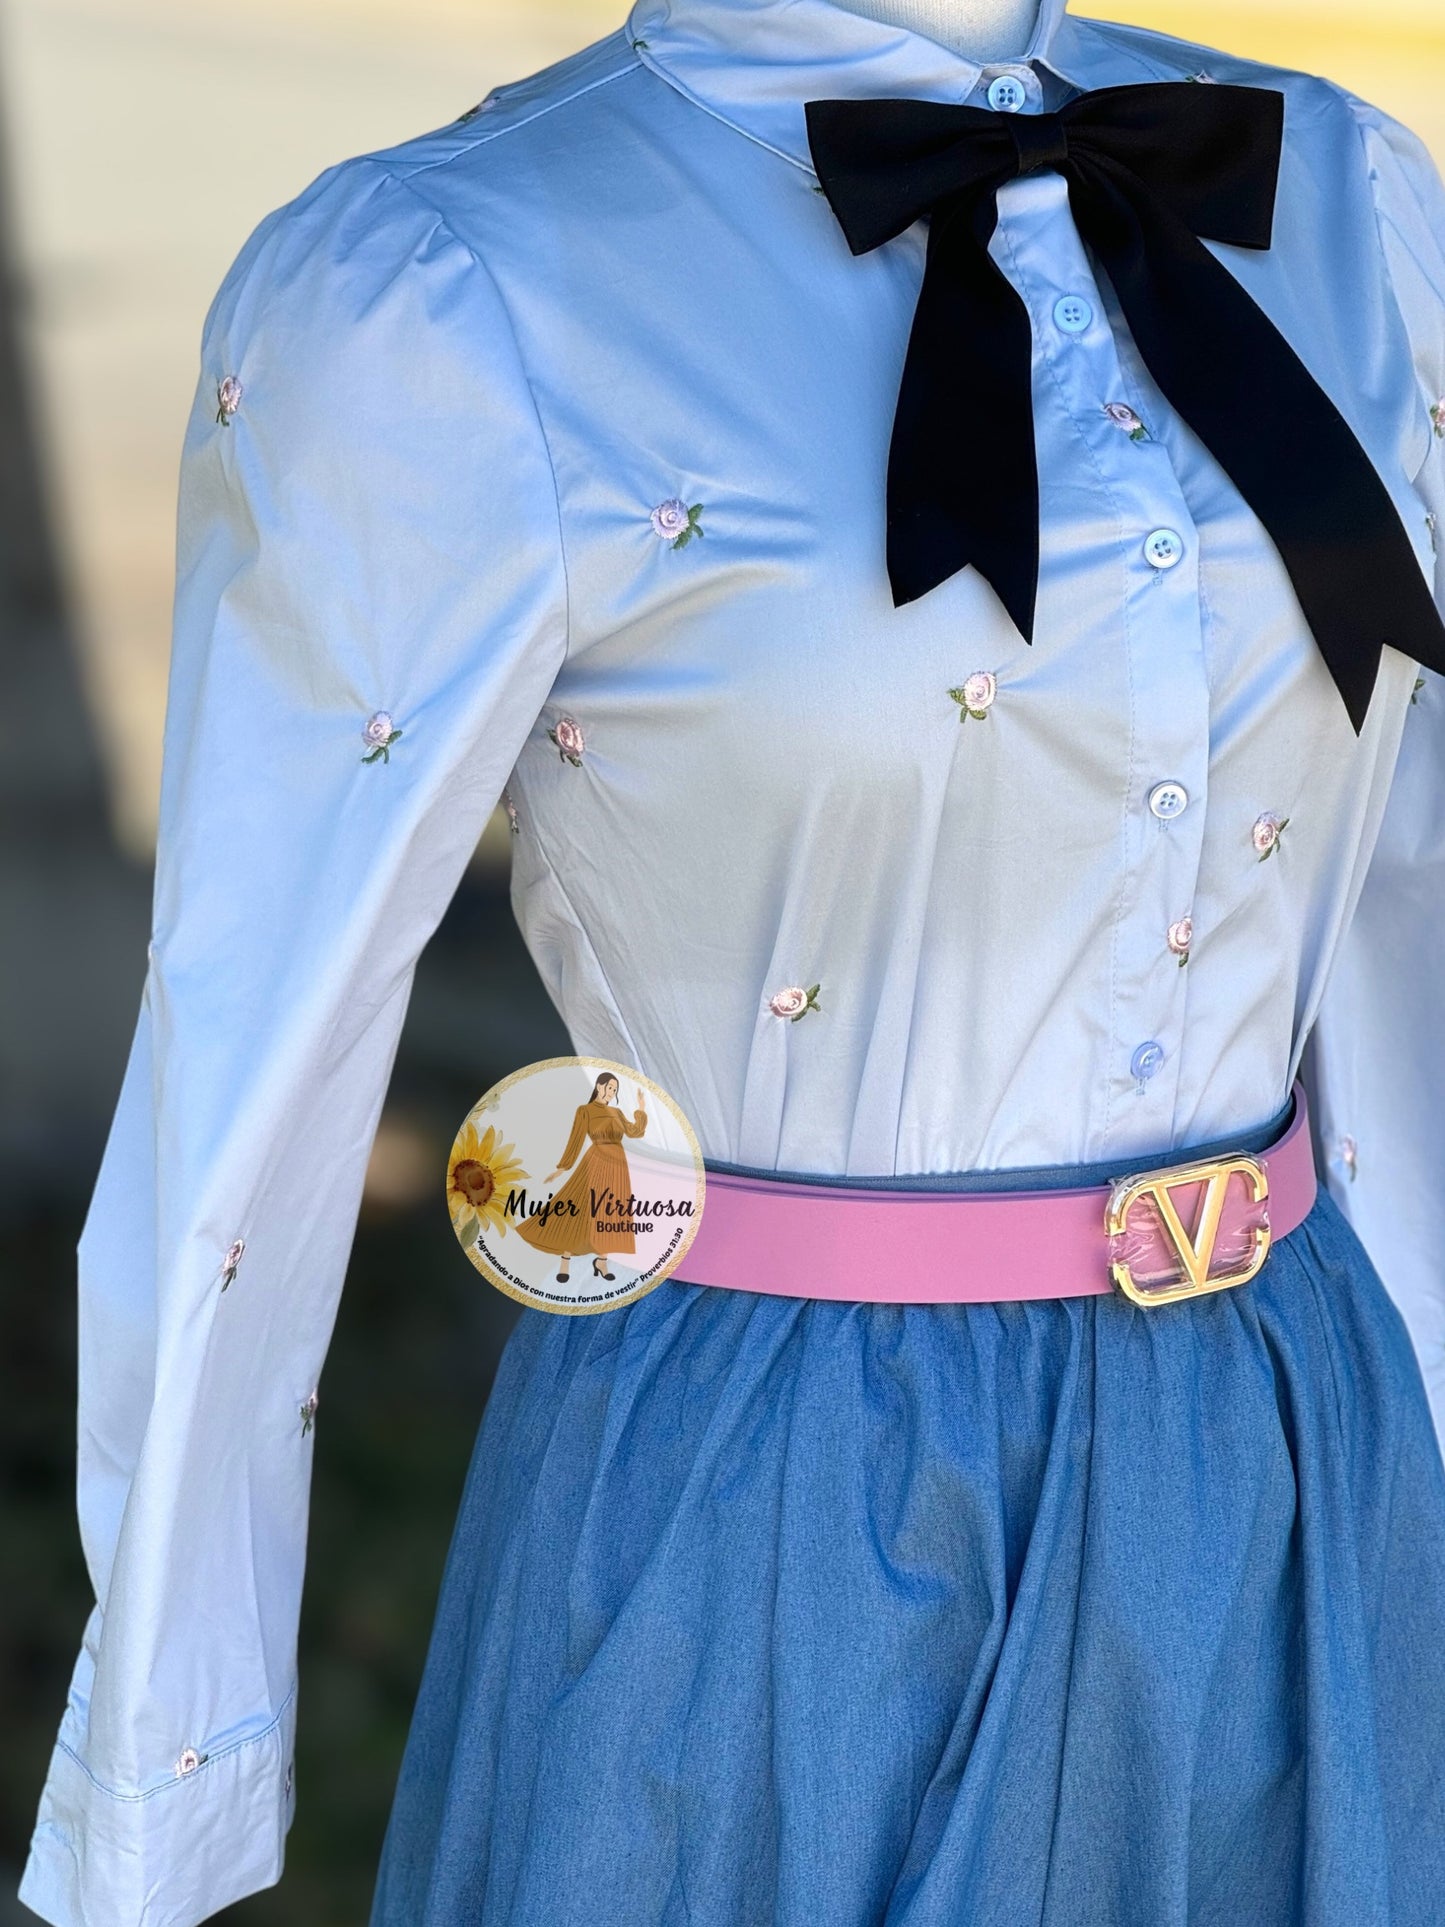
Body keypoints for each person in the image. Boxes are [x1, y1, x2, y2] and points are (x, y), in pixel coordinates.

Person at [19, 0, 1445, 1923]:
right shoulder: (456, 288)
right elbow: (258, 1043)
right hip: (792, 1501)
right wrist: (165, 1784)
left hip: (1299, 1450)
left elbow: (1396, 884)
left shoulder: (1345, 192)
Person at [515, 1071, 648, 1283]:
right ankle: (565, 1261)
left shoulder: (616, 1112)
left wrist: (640, 1109)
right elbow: (575, 1139)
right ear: (599, 1086)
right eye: (609, 1088)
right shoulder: (585, 1111)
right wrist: (563, 1167)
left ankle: (602, 1261)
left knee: (611, 1211)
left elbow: (635, 1132)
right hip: (596, 1160)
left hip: (618, 1165)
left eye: (614, 1089)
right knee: (579, 1209)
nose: (611, 1092)